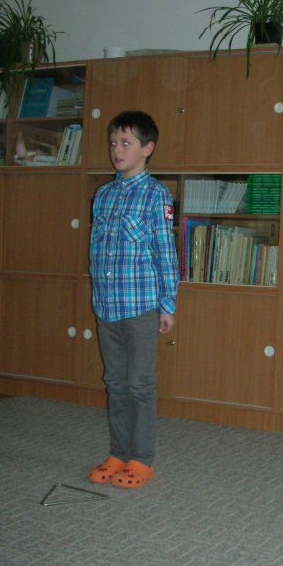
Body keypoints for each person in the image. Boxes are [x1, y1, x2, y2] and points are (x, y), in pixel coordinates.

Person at [87, 110, 179, 489]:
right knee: (115, 382)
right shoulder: (103, 195)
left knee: (139, 384)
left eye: (126, 143)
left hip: (141, 306)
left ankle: (141, 458)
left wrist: (168, 305)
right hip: (107, 306)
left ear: (147, 148)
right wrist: (97, 296)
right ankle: (118, 452)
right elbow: (96, 251)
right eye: (113, 143)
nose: (117, 150)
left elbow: (165, 254)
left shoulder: (157, 195)